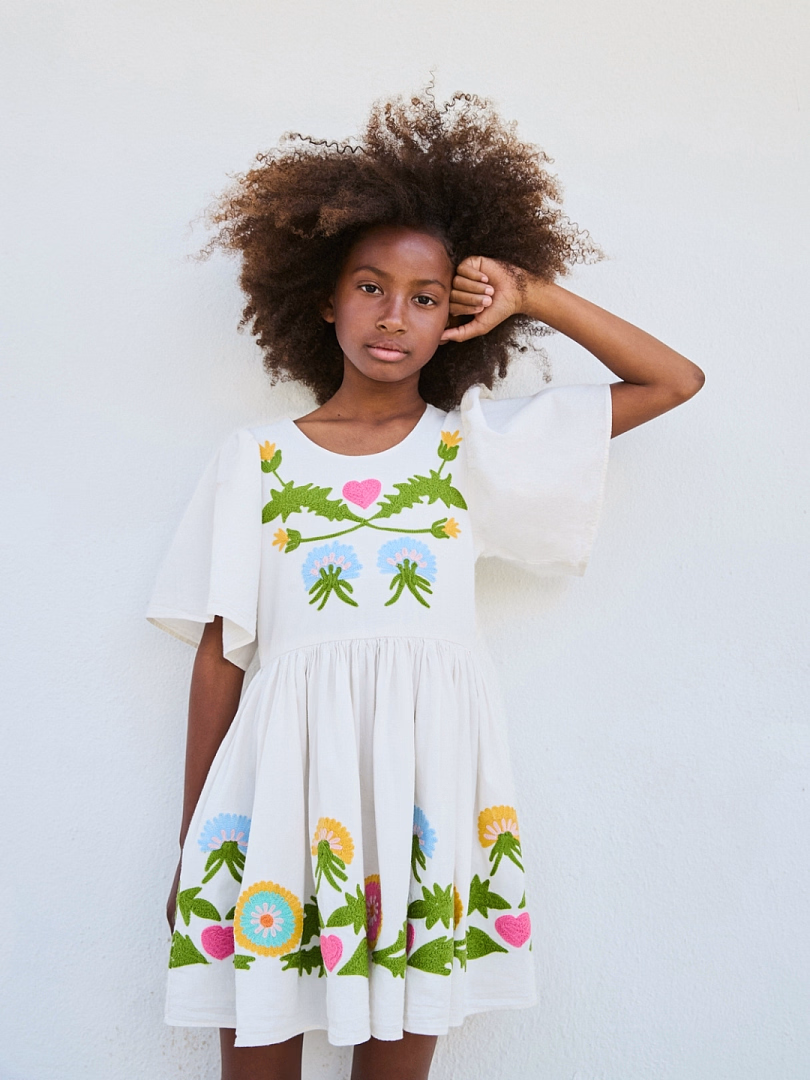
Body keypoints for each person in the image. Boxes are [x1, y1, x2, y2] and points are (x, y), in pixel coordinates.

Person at [146, 89, 704, 1080]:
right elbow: (219, 661)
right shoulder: (256, 461)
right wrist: (193, 845)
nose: (393, 315)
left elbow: (674, 381)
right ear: (325, 297)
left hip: (422, 808)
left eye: (426, 295)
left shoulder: (469, 451)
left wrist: (533, 293)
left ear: (457, 316)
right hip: (277, 803)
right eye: (370, 286)